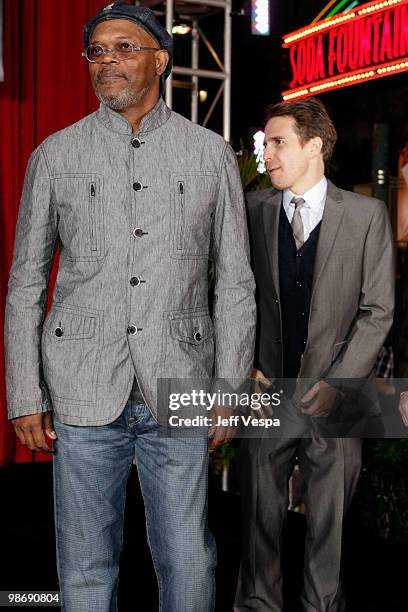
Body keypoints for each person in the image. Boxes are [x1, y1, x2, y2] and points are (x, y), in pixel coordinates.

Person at [4, 3, 256, 611]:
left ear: (160, 61)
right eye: (97, 51)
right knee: (86, 566)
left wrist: (228, 391)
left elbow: (237, 285)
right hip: (82, 386)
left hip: (181, 382)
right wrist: (25, 394)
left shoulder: (210, 154)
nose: (106, 62)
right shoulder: (56, 155)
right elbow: (25, 284)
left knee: (189, 556)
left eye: (123, 48)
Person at [235, 98, 394, 611]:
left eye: (277, 142)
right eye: (264, 144)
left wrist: (341, 382)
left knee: (331, 529)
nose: (267, 154)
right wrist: (247, 367)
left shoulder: (368, 215)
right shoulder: (252, 210)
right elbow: (234, 298)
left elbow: (378, 310)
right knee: (259, 520)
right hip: (267, 394)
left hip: (338, 398)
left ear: (315, 146)